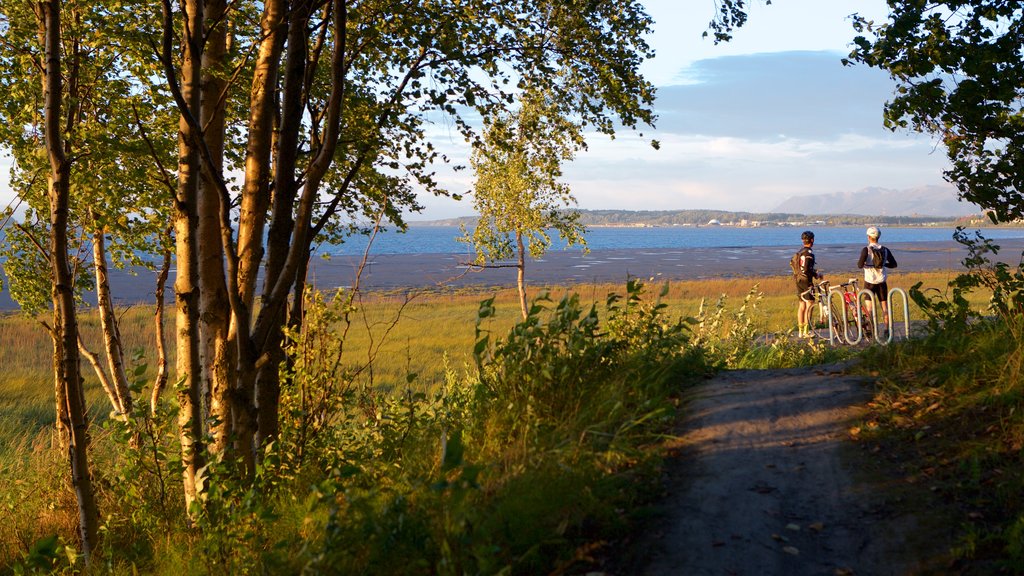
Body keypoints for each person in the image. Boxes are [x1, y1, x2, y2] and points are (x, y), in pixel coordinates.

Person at [857, 226, 897, 333]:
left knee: (869, 308)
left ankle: (870, 329)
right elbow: (894, 264)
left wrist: (867, 264)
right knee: (884, 307)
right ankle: (886, 329)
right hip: (882, 282)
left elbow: (860, 265)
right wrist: (883, 265)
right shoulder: (885, 250)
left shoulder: (866, 250)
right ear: (878, 237)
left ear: (869, 237)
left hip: (869, 282)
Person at [795, 230, 821, 338]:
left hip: (798, 280)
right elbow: (806, 269)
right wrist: (816, 274)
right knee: (810, 304)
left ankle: (800, 331)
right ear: (812, 240)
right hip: (806, 281)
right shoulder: (809, 253)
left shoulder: (800, 252)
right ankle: (806, 331)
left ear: (802, 240)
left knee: (802, 305)